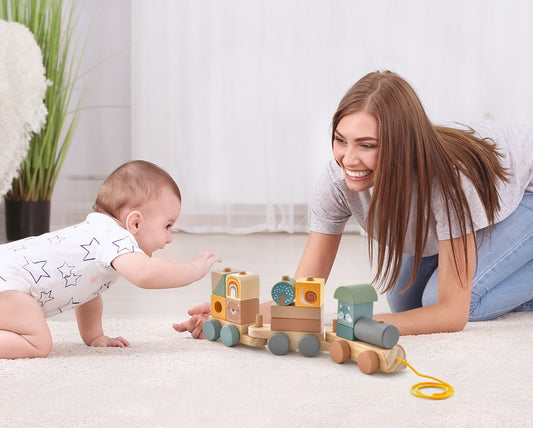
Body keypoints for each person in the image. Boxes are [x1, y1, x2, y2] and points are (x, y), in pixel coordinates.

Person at [176, 70, 532, 338]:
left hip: (526, 192)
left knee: (447, 303)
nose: (349, 158)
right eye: (340, 140)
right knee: (407, 304)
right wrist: (238, 314)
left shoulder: (449, 180)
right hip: (483, 197)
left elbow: (452, 314)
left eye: (367, 145)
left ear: (402, 144)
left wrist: (355, 326)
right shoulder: (337, 180)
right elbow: (304, 292)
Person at [0, 160, 221, 359]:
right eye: (167, 226)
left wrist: (95, 337)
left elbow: (87, 291)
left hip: (8, 276)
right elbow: (145, 274)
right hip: (10, 284)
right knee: (37, 343)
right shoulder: (116, 238)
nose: (170, 238)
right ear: (135, 223)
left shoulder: (96, 234)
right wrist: (193, 270)